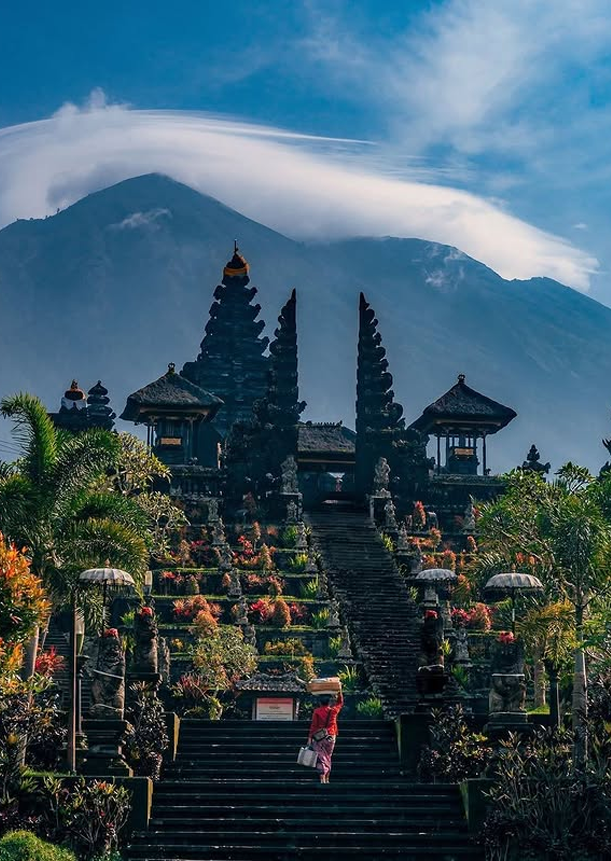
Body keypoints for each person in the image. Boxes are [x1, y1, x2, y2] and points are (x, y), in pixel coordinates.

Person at [307, 687, 344, 784]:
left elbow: (313, 726)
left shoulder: (317, 711)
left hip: (319, 737)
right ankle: (327, 778)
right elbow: (340, 703)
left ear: (320, 702)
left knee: (321, 758)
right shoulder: (334, 711)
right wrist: (339, 691)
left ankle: (322, 778)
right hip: (331, 736)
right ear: (329, 702)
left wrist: (310, 738)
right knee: (328, 757)